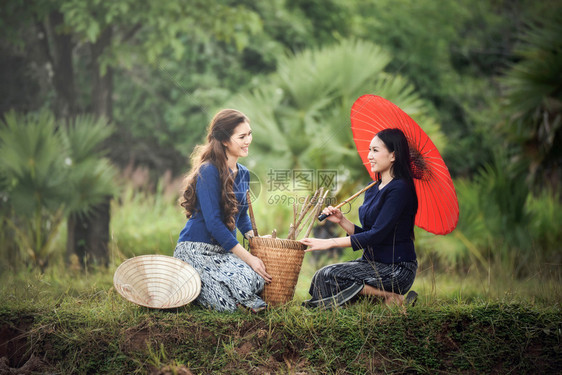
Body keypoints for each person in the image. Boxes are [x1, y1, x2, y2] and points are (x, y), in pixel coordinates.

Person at [300, 128, 418, 308]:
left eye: (375, 150)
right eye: (369, 150)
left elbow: (377, 235)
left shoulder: (400, 189)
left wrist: (329, 242)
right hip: (372, 263)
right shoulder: (372, 188)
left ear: (393, 155)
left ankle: (393, 297)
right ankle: (380, 301)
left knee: (329, 276)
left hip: (396, 268)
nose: (369, 155)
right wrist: (341, 220)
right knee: (321, 278)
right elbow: (369, 234)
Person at [173, 109, 271, 313]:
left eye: (249, 134)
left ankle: (213, 287)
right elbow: (214, 224)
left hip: (223, 252)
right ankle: (196, 284)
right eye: (242, 137)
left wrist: (256, 240)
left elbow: (241, 214)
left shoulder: (243, 174)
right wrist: (249, 257)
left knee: (255, 280)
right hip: (195, 249)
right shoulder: (208, 171)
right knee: (226, 307)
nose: (248, 141)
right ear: (225, 140)